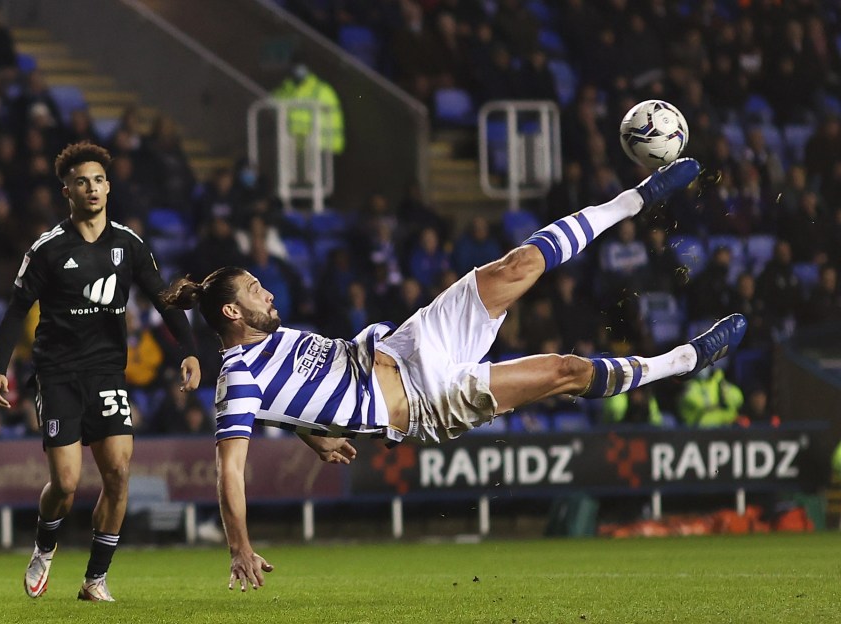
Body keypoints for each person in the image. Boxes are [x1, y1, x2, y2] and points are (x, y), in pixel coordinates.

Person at [160, 157, 747, 592]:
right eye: (255, 292)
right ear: (233, 313)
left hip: (408, 343)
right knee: (562, 371)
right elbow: (229, 468)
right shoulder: (236, 377)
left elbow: (289, 397)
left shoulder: (270, 338)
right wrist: (238, 545)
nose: (268, 292)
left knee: (517, 264)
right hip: (425, 400)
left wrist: (311, 433)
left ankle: (634, 199)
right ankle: (683, 362)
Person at [0, 142, 201, 602]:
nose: (92, 188)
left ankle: (94, 579)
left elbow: (162, 298)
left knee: (119, 473)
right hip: (58, 372)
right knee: (65, 483)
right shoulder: (47, 249)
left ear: (109, 186)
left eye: (99, 180)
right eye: (82, 181)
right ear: (66, 190)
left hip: (106, 371)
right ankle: (45, 547)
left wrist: (189, 349)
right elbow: (14, 311)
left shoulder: (129, 244)